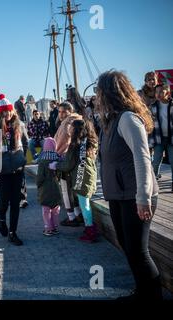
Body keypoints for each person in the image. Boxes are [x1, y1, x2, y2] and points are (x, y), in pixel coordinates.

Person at [97, 70, 162, 300]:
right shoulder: (110, 120)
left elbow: (142, 158)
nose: (97, 97)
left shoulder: (128, 119)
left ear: (109, 94)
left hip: (136, 195)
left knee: (139, 251)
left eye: (99, 92)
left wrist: (143, 197)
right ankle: (142, 291)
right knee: (128, 247)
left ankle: (153, 295)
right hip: (119, 195)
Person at [0, 94, 26, 246]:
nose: (7, 114)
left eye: (9, 111)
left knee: (16, 201)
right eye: (4, 111)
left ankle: (13, 232)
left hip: (17, 169)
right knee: (4, 202)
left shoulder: (19, 125)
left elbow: (26, 143)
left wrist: (22, 160)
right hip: (1, 170)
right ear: (0, 113)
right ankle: (2, 220)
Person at [50, 120, 99, 242]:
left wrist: (56, 165)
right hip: (89, 177)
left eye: (71, 129)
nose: (69, 131)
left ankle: (90, 231)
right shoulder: (89, 142)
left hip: (80, 179)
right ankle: (90, 227)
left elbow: (68, 165)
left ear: (75, 130)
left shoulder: (74, 145)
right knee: (85, 204)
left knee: (85, 206)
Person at [36, 138, 62, 237]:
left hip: (45, 189)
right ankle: (55, 227)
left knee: (46, 210)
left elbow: (40, 177)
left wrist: (38, 184)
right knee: (56, 209)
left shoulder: (42, 160)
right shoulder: (58, 158)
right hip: (56, 188)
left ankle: (48, 228)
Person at [149, 84, 173, 191]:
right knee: (156, 161)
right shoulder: (153, 106)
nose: (158, 94)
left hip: (171, 138)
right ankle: (153, 181)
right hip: (158, 138)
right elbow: (150, 123)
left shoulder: (172, 105)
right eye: (156, 92)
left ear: (167, 93)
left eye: (161, 92)